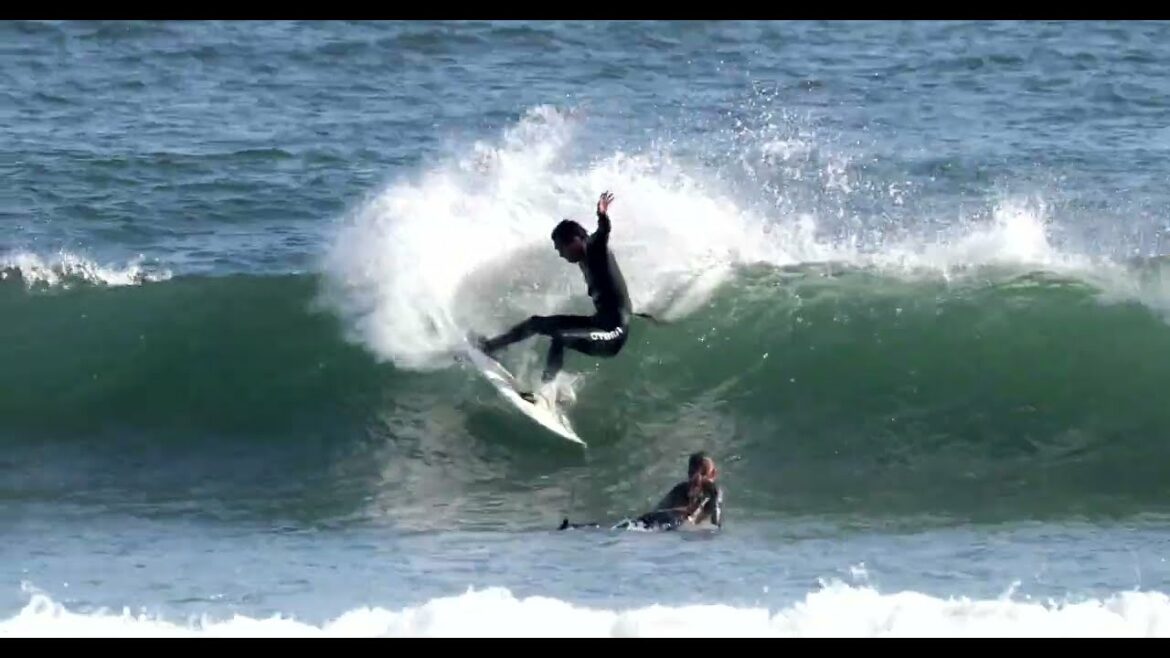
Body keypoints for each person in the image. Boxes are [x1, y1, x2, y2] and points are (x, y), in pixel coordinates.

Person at [471, 191, 631, 402]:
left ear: (575, 240)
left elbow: (603, 231)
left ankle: (547, 390)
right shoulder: (585, 256)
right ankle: (490, 347)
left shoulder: (594, 247)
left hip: (614, 333)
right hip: (599, 322)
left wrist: (602, 214)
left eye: (561, 248)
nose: (561, 254)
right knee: (536, 323)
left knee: (561, 337)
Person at [559, 451, 723, 532]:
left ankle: (574, 527)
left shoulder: (681, 488)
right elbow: (715, 524)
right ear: (714, 474)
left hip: (656, 518)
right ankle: (575, 527)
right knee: (625, 528)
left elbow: (660, 508)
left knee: (622, 526)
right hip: (666, 522)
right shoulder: (712, 492)